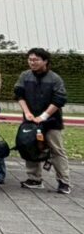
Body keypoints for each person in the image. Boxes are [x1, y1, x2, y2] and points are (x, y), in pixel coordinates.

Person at [14, 47, 70, 194]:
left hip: (52, 121)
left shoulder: (55, 78)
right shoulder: (25, 76)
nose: (32, 62)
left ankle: (64, 181)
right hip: (30, 119)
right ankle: (34, 179)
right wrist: (27, 113)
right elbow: (19, 95)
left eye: (36, 60)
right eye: (30, 59)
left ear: (45, 61)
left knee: (56, 150)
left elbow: (59, 100)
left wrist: (44, 116)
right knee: (29, 146)